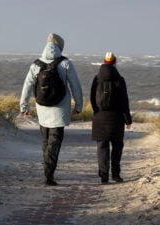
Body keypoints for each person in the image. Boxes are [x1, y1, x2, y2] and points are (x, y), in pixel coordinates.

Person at [20, 33, 83, 186]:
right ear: (60, 47)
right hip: (60, 109)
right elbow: (75, 85)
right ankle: (49, 173)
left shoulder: (36, 64)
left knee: (46, 140)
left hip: (42, 108)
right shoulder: (65, 63)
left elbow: (27, 85)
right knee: (55, 141)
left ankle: (48, 169)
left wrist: (24, 106)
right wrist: (79, 105)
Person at [90, 52, 132, 185]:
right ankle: (115, 175)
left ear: (103, 62)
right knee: (117, 146)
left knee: (102, 147)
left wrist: (96, 112)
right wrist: (128, 120)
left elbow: (92, 98)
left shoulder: (97, 79)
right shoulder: (120, 80)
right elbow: (124, 102)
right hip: (116, 118)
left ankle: (103, 176)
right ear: (115, 62)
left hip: (99, 118)